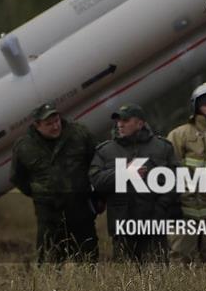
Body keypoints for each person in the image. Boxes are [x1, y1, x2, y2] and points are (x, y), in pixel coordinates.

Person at [89, 104, 181, 262]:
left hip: (154, 228)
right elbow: (96, 181)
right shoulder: (105, 151)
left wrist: (161, 208)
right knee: (126, 276)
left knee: (156, 274)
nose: (120, 124)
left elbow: (176, 180)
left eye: (125, 120)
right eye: (118, 121)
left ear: (140, 123)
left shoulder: (162, 147)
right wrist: (125, 172)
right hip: (122, 229)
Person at [10, 102, 99, 262]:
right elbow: (17, 177)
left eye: (57, 120)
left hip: (80, 208)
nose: (55, 126)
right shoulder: (24, 146)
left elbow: (97, 163)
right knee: (49, 260)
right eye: (49, 124)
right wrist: (40, 193)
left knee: (88, 258)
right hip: (49, 214)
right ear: (37, 125)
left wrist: (98, 196)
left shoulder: (79, 134)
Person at [165, 83, 206, 263]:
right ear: (196, 106)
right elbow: (168, 172)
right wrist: (172, 205)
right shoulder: (179, 135)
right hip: (184, 212)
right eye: (205, 104)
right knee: (180, 260)